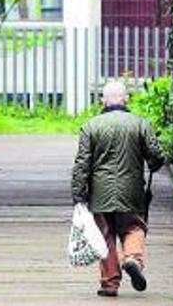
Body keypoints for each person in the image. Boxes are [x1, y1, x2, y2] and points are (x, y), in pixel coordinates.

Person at [71, 81, 165, 297]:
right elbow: (156, 155)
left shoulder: (90, 126)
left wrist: (78, 193)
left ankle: (109, 283)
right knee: (133, 227)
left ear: (103, 100)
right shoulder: (140, 124)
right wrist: (154, 164)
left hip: (100, 193)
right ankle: (132, 258)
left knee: (105, 235)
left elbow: (82, 163)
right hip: (131, 191)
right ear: (126, 99)